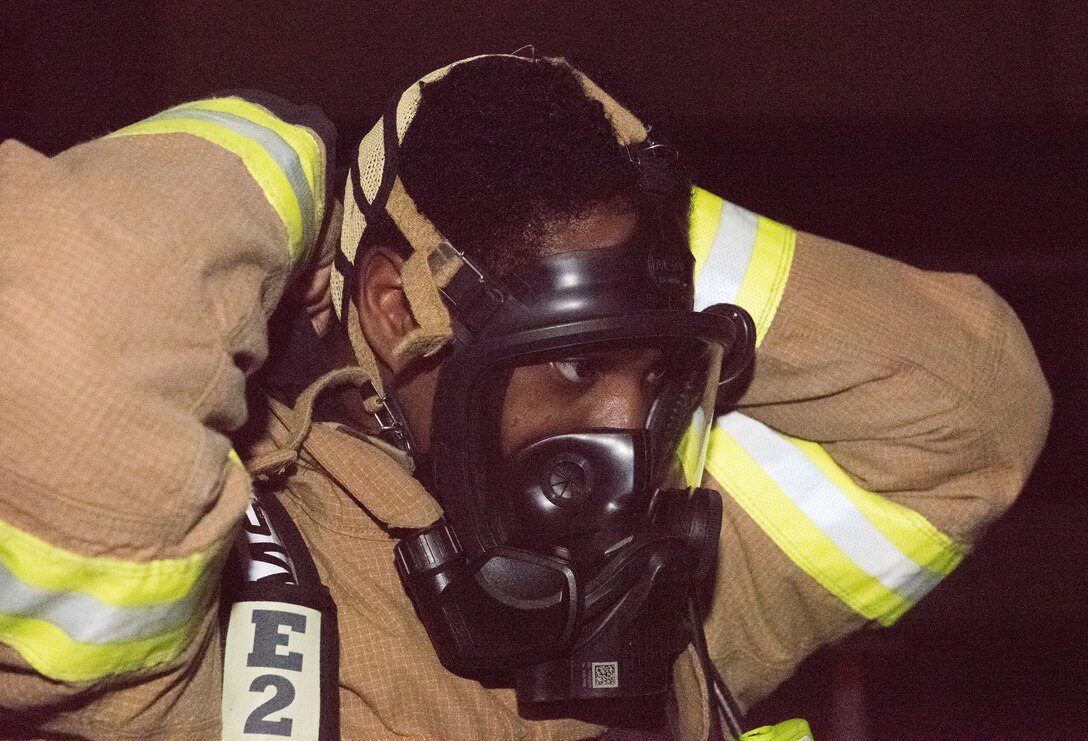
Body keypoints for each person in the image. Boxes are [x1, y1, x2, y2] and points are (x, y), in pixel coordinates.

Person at [0, 53, 1050, 739]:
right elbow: (50, 352)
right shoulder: (223, 620)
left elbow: (972, 401)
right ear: (388, 308)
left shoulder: (664, 608)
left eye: (650, 375)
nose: (626, 436)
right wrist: (289, 159)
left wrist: (650, 246)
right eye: (572, 371)